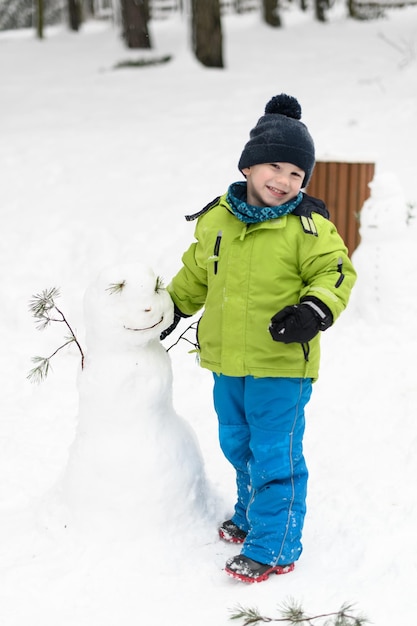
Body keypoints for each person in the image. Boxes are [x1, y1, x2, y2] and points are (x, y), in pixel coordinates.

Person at [163, 93, 357, 583]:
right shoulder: (217, 220)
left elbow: (335, 273)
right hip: (228, 360)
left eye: (296, 174)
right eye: (275, 166)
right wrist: (171, 308)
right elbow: (195, 274)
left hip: (281, 364)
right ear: (248, 167)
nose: (284, 181)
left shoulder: (309, 226)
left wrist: (313, 311)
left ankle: (275, 543)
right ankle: (251, 513)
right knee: (238, 442)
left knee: (276, 450)